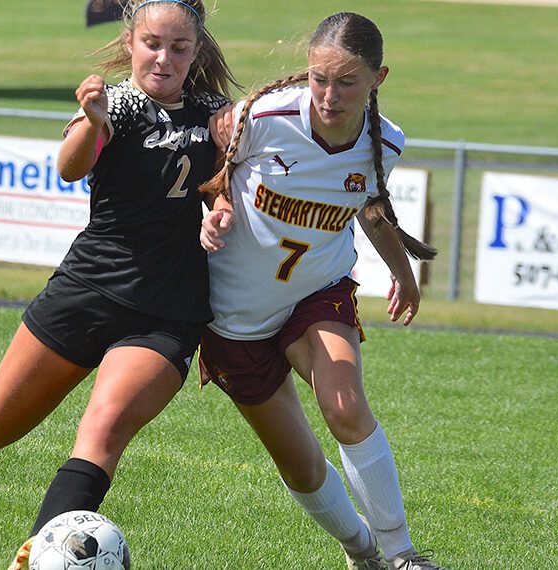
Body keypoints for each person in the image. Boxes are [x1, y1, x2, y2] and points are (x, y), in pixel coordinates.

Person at [0, 1, 235, 567]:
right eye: (152, 44)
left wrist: (219, 210)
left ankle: (36, 557)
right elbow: (68, 168)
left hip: (167, 311)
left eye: (179, 47)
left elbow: (223, 189)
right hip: (86, 290)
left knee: (102, 429)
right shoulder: (113, 104)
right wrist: (91, 120)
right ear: (132, 43)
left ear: (197, 49)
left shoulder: (217, 115)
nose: (164, 58)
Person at [198, 12, 447, 570]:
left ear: (378, 78)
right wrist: (214, 210)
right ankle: (362, 553)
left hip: (315, 294)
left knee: (345, 406)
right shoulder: (260, 117)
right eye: (318, 79)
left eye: (347, 82)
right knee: (304, 469)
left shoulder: (386, 141)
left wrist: (403, 272)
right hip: (232, 319)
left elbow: (371, 209)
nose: (329, 95)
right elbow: (211, 176)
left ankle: (403, 555)